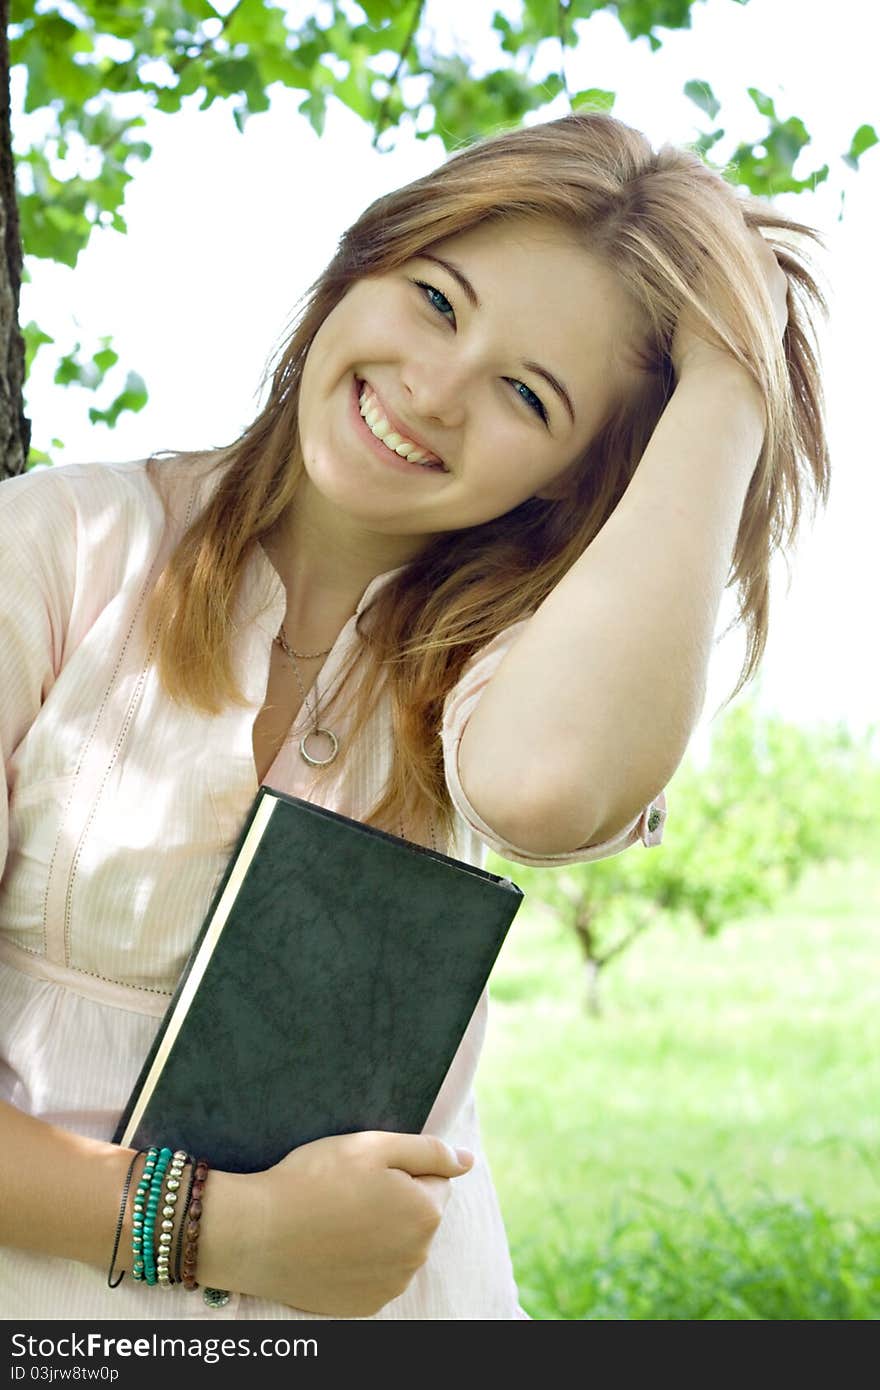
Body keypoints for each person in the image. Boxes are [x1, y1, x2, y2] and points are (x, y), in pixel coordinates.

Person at [0, 111, 828, 1320]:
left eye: (527, 395)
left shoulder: (510, 661)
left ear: (574, 475)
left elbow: (549, 787)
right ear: (362, 263)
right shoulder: (62, 546)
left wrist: (736, 383)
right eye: (437, 301)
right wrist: (219, 1228)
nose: (434, 393)